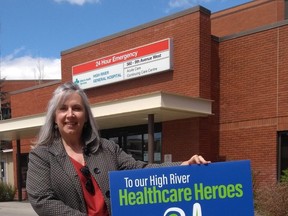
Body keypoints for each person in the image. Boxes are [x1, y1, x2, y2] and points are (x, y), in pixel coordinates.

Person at [26, 82, 210, 216]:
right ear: (54, 117)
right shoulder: (41, 155)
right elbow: (42, 200)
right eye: (63, 109)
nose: (70, 114)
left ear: (86, 117)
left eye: (76, 108)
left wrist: (182, 166)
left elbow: (141, 170)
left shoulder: (107, 148)